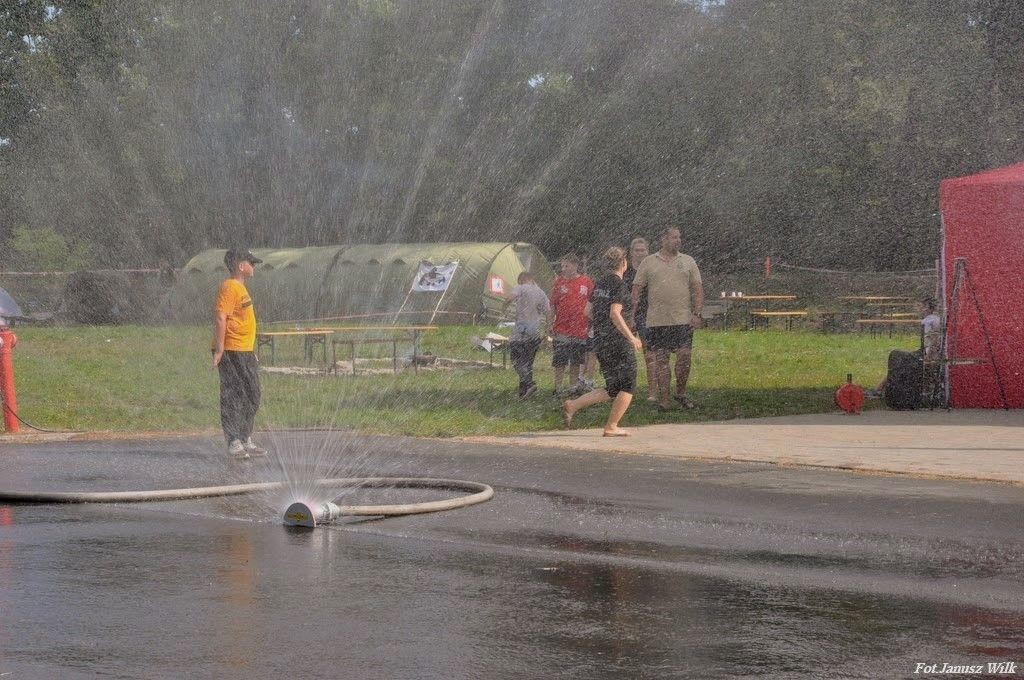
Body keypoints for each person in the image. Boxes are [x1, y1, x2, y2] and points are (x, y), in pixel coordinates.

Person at [562, 247, 643, 436]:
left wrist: (602, 326)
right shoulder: (619, 285)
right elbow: (615, 313)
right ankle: (612, 426)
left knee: (613, 388)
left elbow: (587, 311)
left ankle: (572, 405)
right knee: (628, 385)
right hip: (618, 342)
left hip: (601, 342)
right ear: (623, 263)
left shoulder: (600, 284)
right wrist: (631, 337)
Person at [631, 227, 703, 411]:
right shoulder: (649, 262)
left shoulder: (688, 261)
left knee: (684, 357)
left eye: (679, 237)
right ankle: (664, 400)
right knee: (662, 361)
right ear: (664, 239)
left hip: (682, 320)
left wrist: (697, 313)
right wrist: (631, 316)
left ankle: (681, 392)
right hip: (657, 321)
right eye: (674, 237)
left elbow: (697, 289)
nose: (678, 240)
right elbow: (636, 290)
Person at [212, 248, 267, 459]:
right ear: (240, 265)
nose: (254, 266)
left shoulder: (241, 288)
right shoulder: (229, 286)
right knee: (233, 394)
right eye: (251, 263)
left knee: (253, 393)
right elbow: (221, 317)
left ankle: (245, 437)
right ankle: (233, 440)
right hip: (231, 350)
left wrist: (251, 351)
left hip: (244, 350)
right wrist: (220, 349)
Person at [549, 253, 593, 395]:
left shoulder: (586, 282)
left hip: (580, 329)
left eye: (566, 266)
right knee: (560, 360)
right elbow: (553, 304)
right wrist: (550, 323)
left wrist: (592, 322)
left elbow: (592, 302)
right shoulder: (559, 283)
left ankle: (573, 387)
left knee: (575, 361)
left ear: (575, 265)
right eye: (562, 266)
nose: (563, 269)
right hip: (561, 328)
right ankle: (558, 387)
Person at [504, 271, 551, 398]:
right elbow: (548, 311)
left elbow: (510, 298)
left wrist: (504, 307)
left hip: (522, 330)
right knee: (528, 362)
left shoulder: (521, 287)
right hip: (535, 330)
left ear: (522, 279)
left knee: (516, 359)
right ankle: (524, 391)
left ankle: (529, 384)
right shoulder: (541, 292)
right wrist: (547, 330)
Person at [623, 237, 657, 401]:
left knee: (650, 355)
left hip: (647, 315)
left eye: (643, 250)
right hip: (626, 315)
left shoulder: (652, 270)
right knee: (625, 354)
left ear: (648, 252)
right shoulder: (625, 272)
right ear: (631, 253)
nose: (640, 253)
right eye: (637, 250)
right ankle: (624, 391)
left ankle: (652, 393)